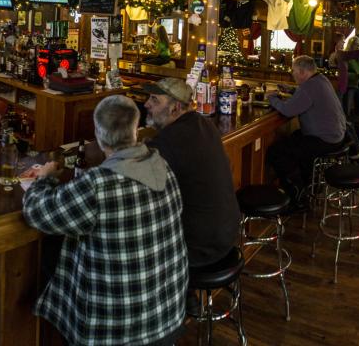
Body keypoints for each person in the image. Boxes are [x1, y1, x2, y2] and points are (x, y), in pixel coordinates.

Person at [22, 95, 187, 346]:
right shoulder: (162, 166)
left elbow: (36, 212)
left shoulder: (99, 184)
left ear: (98, 136)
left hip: (116, 330)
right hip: (168, 317)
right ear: (135, 129)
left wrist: (44, 178)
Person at [143, 77, 241, 267]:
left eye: (155, 100)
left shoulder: (170, 141)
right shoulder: (204, 124)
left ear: (175, 108)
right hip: (227, 232)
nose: (146, 104)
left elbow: (140, 184)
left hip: (200, 247)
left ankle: (180, 295)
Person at [266, 55, 349, 203]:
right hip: (337, 136)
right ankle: (309, 182)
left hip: (325, 140)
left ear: (303, 72)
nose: (292, 74)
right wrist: (292, 90)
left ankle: (297, 193)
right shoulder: (321, 79)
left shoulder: (309, 87)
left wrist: (271, 98)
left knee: (276, 152)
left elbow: (287, 110)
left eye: (294, 71)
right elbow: (307, 95)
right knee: (293, 139)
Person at [338, 36, 359, 117]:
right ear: (351, 45)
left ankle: (357, 128)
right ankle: (347, 127)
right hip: (350, 85)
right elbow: (343, 74)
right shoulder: (346, 55)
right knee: (347, 109)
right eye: (357, 44)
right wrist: (357, 75)